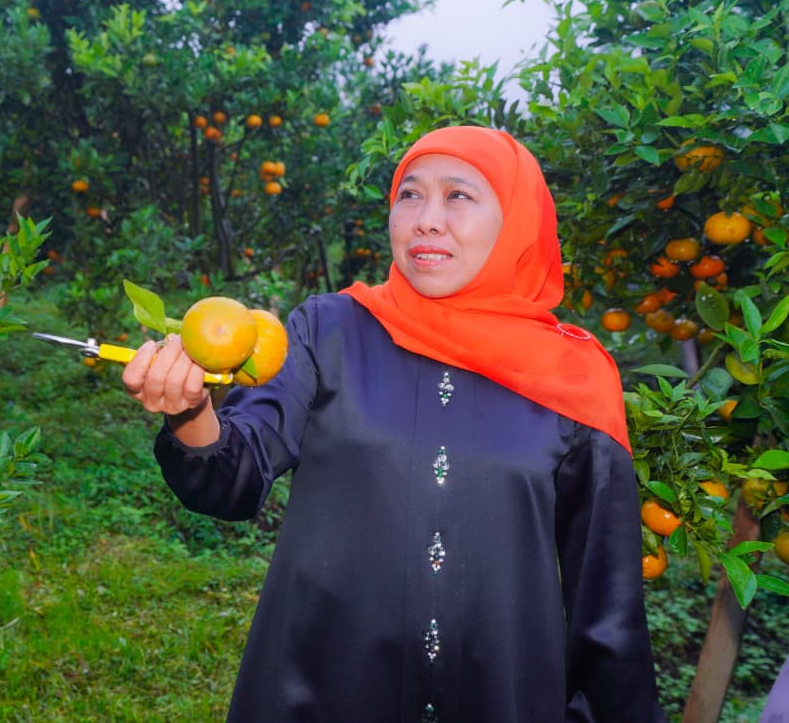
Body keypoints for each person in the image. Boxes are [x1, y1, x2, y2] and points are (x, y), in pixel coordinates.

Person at [122, 126, 667, 722]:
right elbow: (233, 477)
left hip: (498, 695)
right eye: (409, 195)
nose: (426, 220)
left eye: (458, 195)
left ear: (516, 220)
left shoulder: (575, 376)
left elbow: (606, 605)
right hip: (321, 690)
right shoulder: (328, 330)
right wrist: (190, 409)